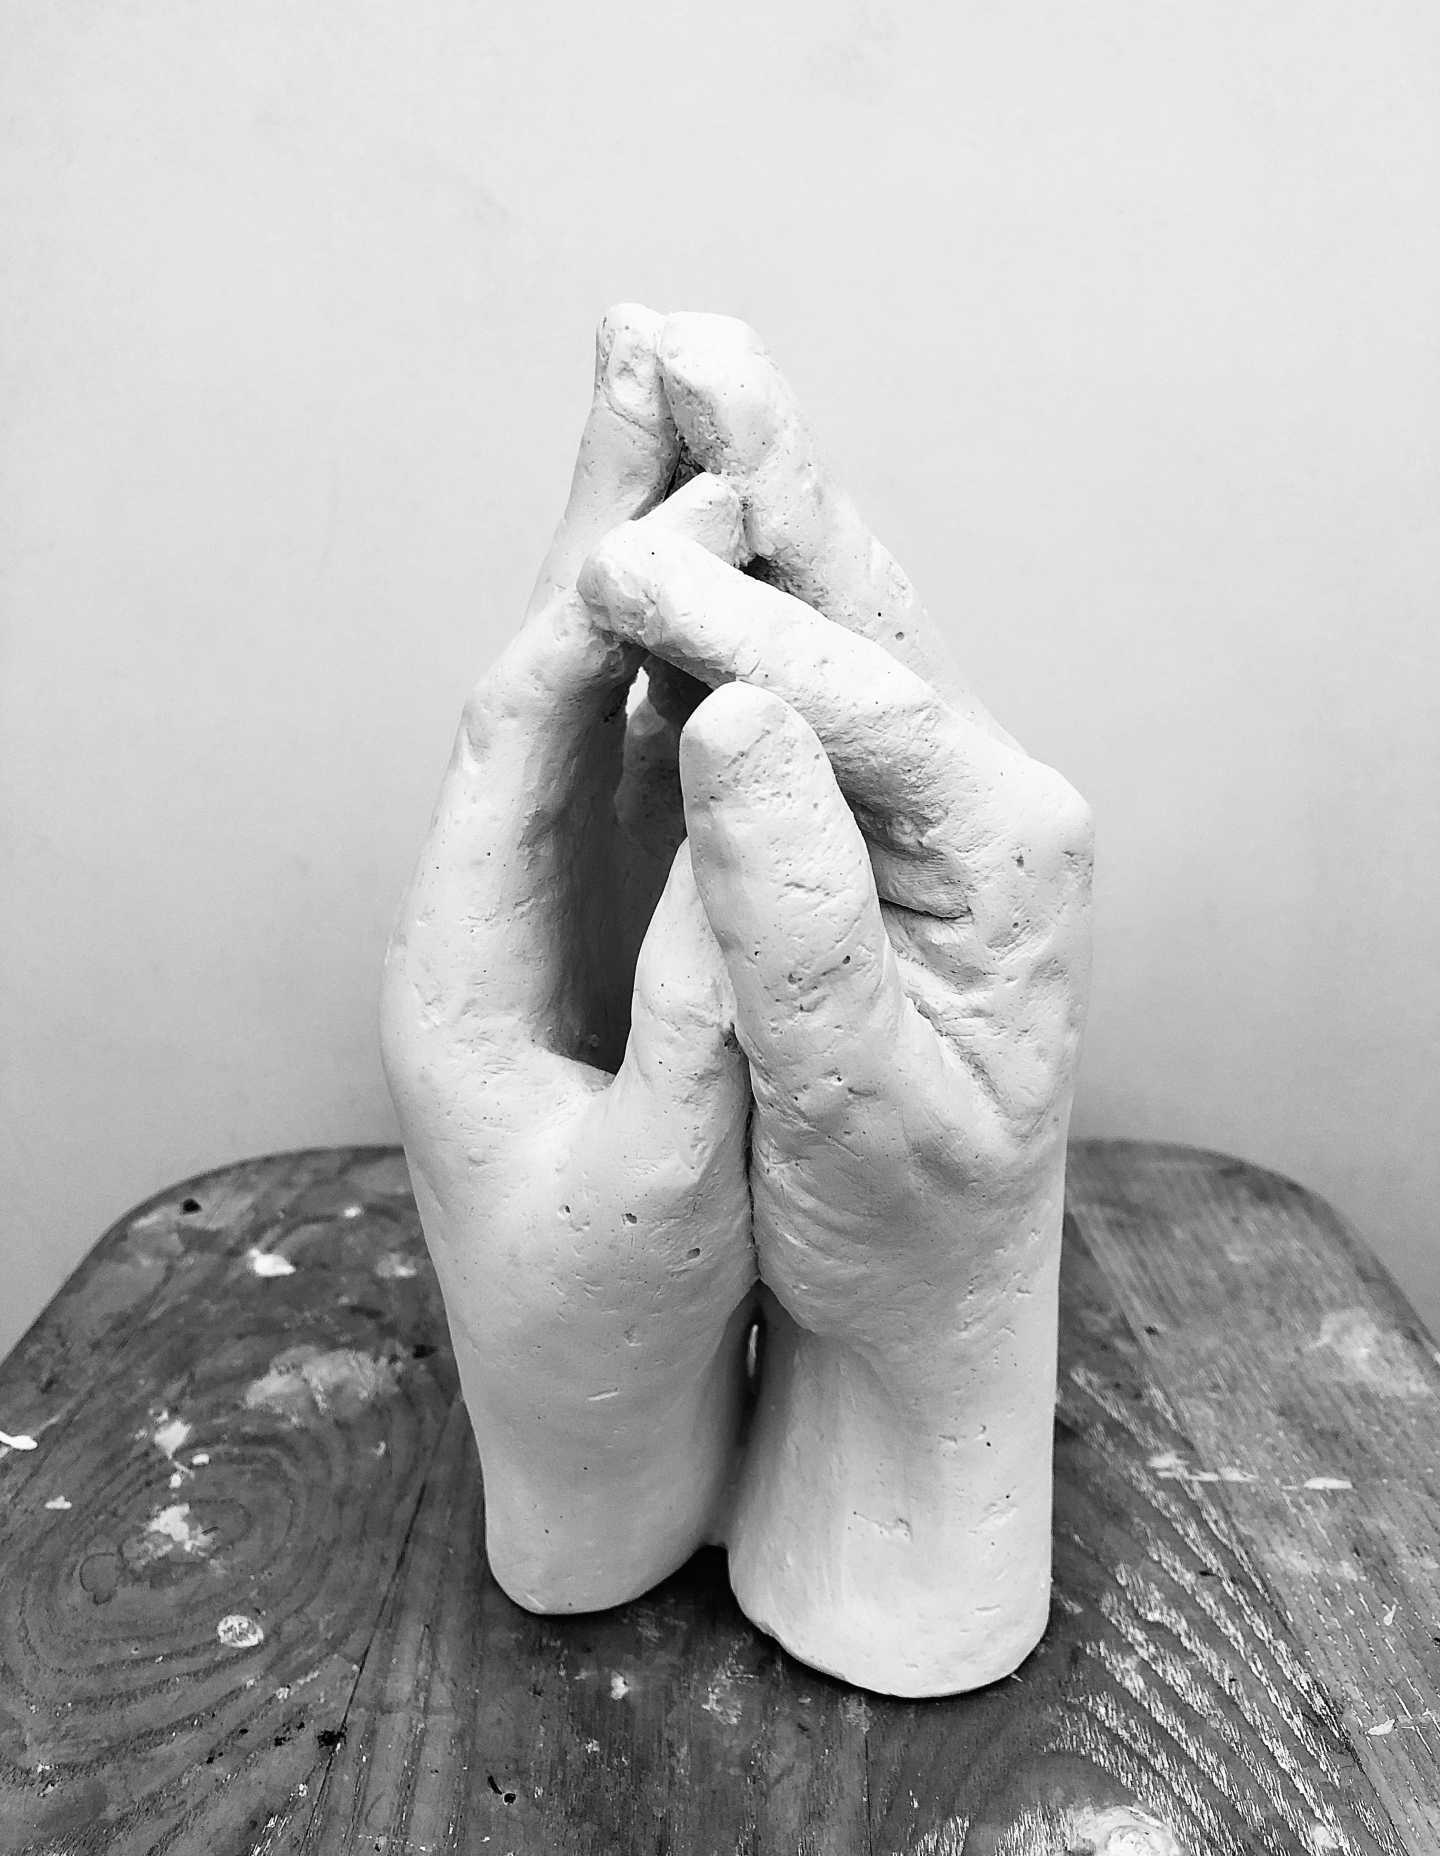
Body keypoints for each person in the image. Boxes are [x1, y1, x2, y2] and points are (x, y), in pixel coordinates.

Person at [380, 307, 1093, 1695]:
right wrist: (958, 1370)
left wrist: (576, 1461)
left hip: (712, 1488)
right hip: (802, 1504)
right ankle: (829, 1483)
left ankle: (731, 1477)